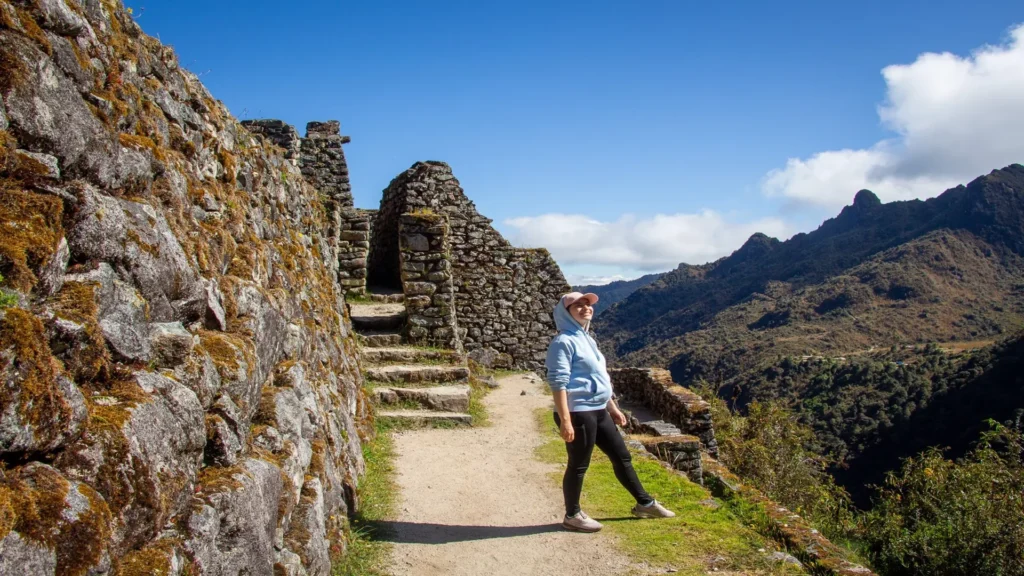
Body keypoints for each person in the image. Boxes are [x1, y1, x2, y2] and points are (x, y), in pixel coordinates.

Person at [545, 291, 675, 532]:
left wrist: (612, 407)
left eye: (587, 304)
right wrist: (565, 420)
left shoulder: (587, 338)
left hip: (598, 409)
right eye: (578, 306)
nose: (585, 308)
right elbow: (558, 382)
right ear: (566, 312)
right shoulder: (563, 342)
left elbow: (599, 377)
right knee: (579, 465)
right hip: (578, 412)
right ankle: (572, 515)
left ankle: (645, 503)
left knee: (622, 456)